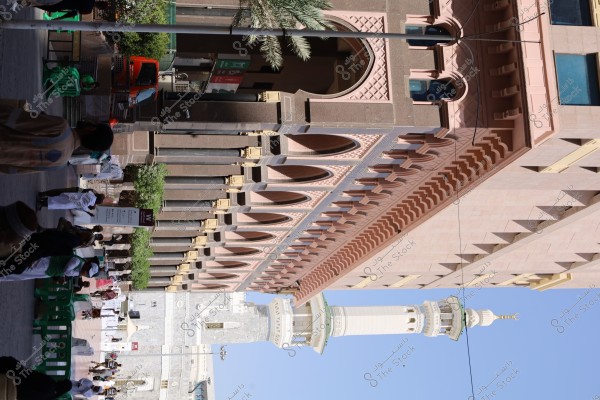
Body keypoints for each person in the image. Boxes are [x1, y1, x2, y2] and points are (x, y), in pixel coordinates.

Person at [0, 99, 114, 174]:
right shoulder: (61, 162)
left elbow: (14, 119)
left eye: (93, 123)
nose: (89, 121)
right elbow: (17, 169)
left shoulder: (61, 127)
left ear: (91, 128)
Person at [0, 356, 72, 400]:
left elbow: (31, 375)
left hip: (18, 385)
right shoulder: (50, 397)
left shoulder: (50, 383)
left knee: (11, 362)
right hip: (17, 396)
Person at [0, 255, 99, 282]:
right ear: (87, 264)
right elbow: (66, 271)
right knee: (24, 268)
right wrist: (64, 276)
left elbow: (67, 273)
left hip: (48, 273)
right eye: (87, 271)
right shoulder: (77, 261)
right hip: (46, 264)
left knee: (24, 276)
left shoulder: (78, 272)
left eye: (87, 274)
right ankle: (4, 268)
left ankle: (3, 276)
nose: (85, 273)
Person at [38, 190, 104, 212]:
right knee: (56, 204)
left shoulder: (92, 195)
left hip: (73, 197)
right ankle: (41, 203)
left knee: (57, 199)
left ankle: (42, 201)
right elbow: (83, 206)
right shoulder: (92, 200)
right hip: (72, 202)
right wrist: (87, 210)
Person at [36, 0, 108, 20]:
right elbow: (73, 13)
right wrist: (61, 17)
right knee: (48, 7)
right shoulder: (88, 10)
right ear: (99, 8)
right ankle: (30, 4)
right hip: (61, 5)